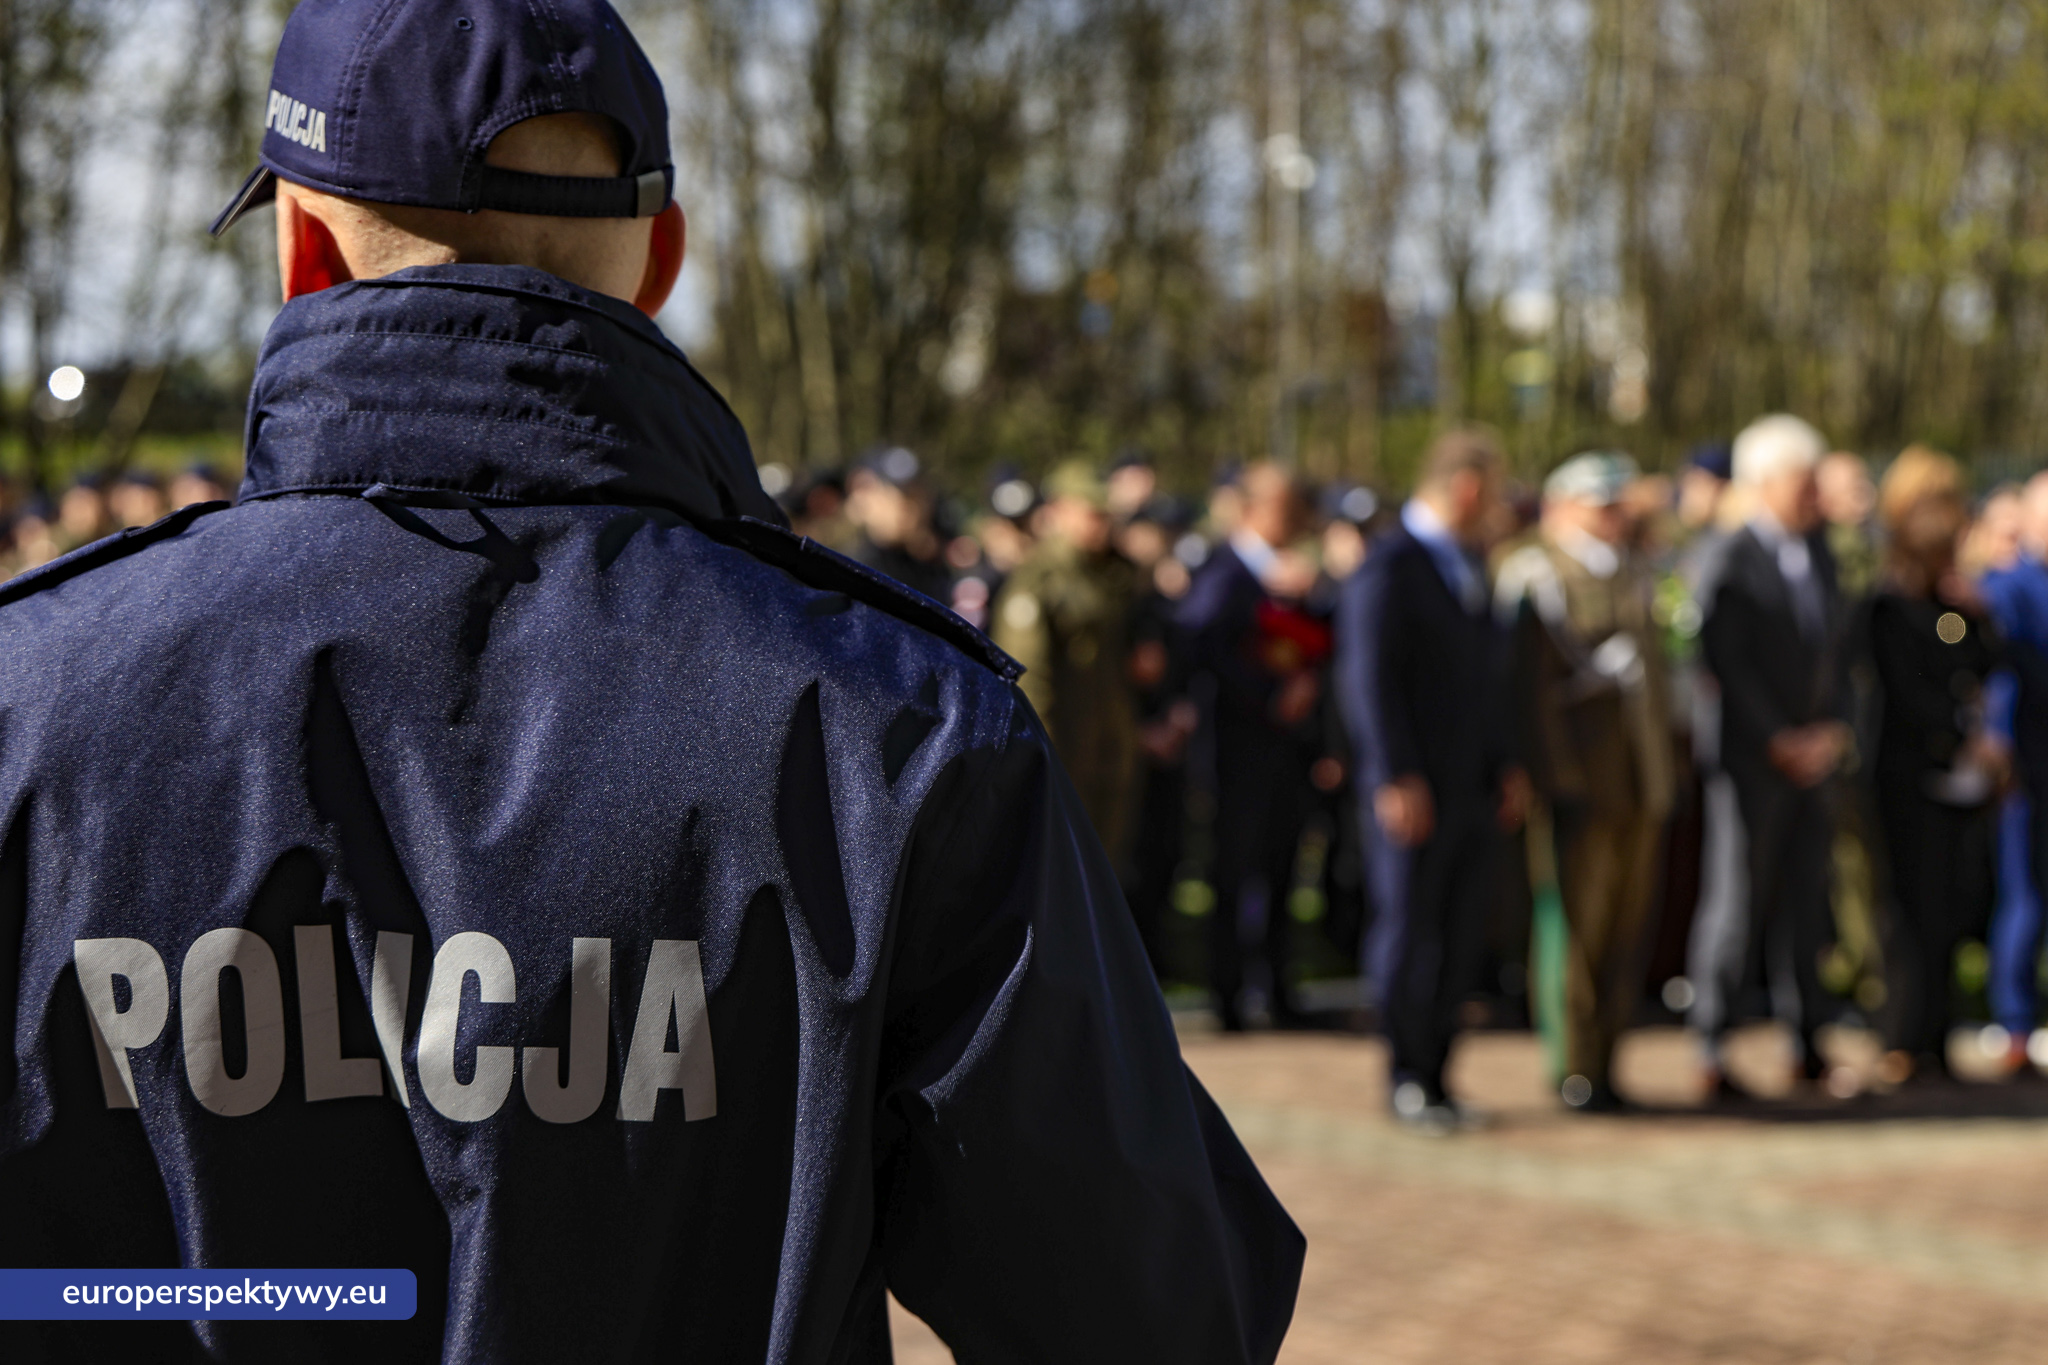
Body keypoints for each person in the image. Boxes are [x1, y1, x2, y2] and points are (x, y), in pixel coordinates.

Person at [0, 5, 1302, 1362]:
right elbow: (1153, 1314)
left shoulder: (28, 703)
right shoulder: (897, 731)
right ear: (659, 261)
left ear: (304, 250)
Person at [1337, 429, 1526, 1131]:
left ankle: (1441, 1074)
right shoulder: (1392, 563)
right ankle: (1406, 1073)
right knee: (1411, 928)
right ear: (1468, 488)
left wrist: (1505, 763)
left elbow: (1488, 680)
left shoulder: (1469, 564)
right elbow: (1368, 679)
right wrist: (1394, 774)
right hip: (1415, 787)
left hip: (1471, 785)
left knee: (1459, 929)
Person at [1497, 453, 1674, 1112]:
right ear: (1564, 505)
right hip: (1580, 779)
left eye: (1619, 504)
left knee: (1626, 928)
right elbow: (1531, 691)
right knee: (1575, 926)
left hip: (1640, 776)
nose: (1615, 515)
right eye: (1601, 504)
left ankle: (1608, 1057)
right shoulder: (1538, 571)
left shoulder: (1636, 569)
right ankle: (1572, 1061)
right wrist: (1555, 776)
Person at [1697, 414, 1851, 1094]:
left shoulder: (1822, 552)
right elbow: (1725, 662)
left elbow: (1839, 653)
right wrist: (1776, 738)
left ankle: (1807, 1040)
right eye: (1803, 481)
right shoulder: (1730, 556)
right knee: (1737, 900)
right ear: (1763, 483)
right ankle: (1711, 1041)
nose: (1815, 494)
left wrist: (1833, 730)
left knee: (1808, 902)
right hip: (1753, 762)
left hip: (1814, 759)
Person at [1864, 448, 2005, 1082]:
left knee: (1950, 905)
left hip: (1957, 776)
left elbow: (1979, 662)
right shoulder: (1890, 600)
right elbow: (1904, 687)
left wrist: (1974, 612)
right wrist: (1954, 732)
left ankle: (1936, 1037)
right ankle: (1901, 1036)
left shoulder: (1952, 602)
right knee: (1906, 909)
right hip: (1908, 771)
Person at [1180, 462, 1323, 1030]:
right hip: (1238, 748)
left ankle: (1281, 987)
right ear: (1250, 510)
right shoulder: (1226, 572)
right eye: (1283, 509)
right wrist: (1269, 692)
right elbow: (1202, 646)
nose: (1294, 521)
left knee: (1286, 867)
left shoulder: (1300, 575)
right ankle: (1231, 994)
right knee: (1236, 868)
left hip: (1290, 750)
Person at [989, 460, 1140, 857]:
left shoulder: (1110, 573)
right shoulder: (1040, 580)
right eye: (1092, 513)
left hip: (1107, 745)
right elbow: (1027, 683)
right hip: (1065, 751)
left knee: (1107, 864)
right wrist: (1044, 761)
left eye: (1106, 515)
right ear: (1059, 511)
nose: (1102, 524)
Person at [1983, 471, 2048, 1068]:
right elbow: (1992, 670)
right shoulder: (2005, 588)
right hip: (2029, 763)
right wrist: (1997, 745)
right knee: (2024, 894)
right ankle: (2015, 1025)